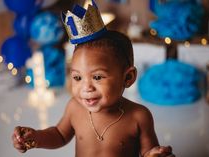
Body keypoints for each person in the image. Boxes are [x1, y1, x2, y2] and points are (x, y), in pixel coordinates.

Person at [12, 1, 174, 157]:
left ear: (128, 77)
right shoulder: (75, 108)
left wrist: (155, 154)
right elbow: (60, 134)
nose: (86, 87)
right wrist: (37, 138)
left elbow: (148, 151)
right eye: (77, 77)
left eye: (97, 77)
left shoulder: (138, 116)